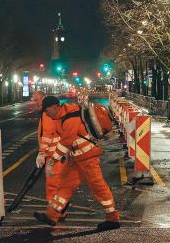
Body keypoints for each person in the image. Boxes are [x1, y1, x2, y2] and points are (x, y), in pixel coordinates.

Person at [33, 96, 120, 231]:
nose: (46, 113)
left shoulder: (70, 117)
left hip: (88, 158)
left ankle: (113, 218)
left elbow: (66, 142)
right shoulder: (62, 117)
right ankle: (52, 215)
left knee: (98, 187)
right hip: (76, 159)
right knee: (65, 186)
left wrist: (52, 161)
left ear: (55, 107)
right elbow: (58, 138)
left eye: (47, 110)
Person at [31, 91, 67, 219]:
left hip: (54, 155)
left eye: (36, 100)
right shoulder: (48, 112)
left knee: (53, 185)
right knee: (58, 184)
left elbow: (47, 135)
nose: (34, 103)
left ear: (42, 99)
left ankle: (54, 214)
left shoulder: (47, 114)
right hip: (57, 154)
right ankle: (58, 211)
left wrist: (42, 154)